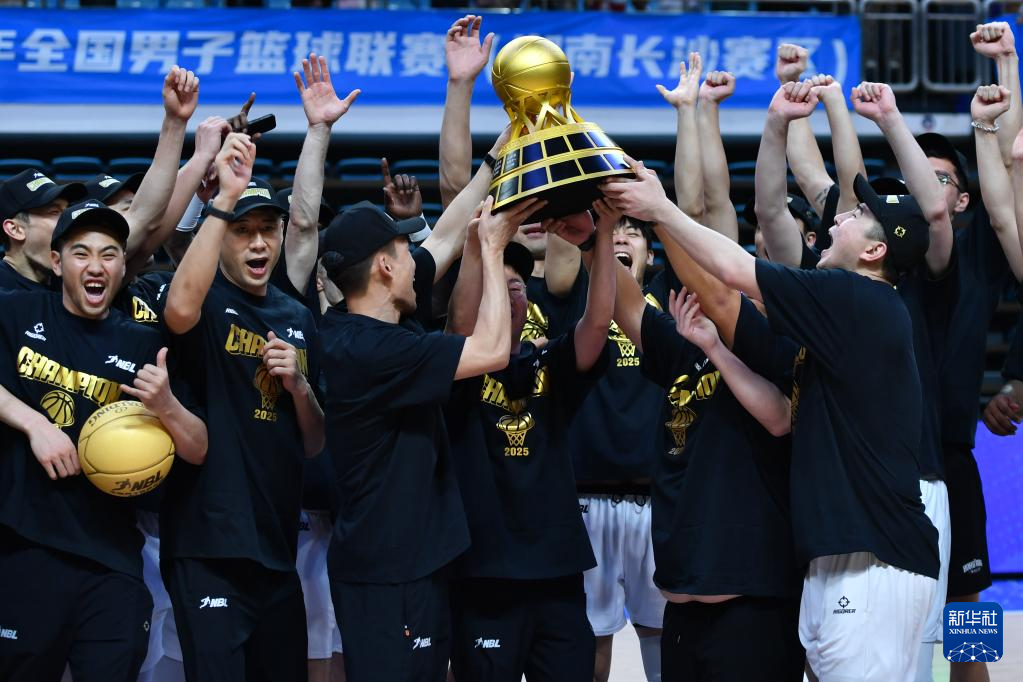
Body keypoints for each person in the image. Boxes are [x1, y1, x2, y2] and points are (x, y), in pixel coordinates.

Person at [604, 154, 941, 680]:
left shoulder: (860, 299)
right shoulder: (838, 327)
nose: (838, 219)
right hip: (838, 559)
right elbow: (772, 395)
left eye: (856, 217)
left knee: (953, 650)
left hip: (874, 557)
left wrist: (660, 210)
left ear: (875, 251)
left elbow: (734, 273)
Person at [320, 188, 541, 682]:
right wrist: (494, 250)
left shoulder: (364, 324)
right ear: (384, 266)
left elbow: (443, 247)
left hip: (407, 561)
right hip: (388, 570)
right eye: (402, 250)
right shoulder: (375, 351)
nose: (412, 258)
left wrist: (491, 179)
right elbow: (491, 351)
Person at [0, 200, 206, 682]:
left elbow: (198, 447)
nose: (96, 266)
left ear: (122, 265)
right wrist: (35, 424)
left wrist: (167, 405)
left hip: (113, 557)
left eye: (110, 254)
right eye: (81, 253)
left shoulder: (144, 344)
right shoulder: (16, 311)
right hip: (24, 549)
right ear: (56, 262)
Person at [160, 132, 325, 682]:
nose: (259, 244)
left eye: (267, 231)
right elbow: (178, 310)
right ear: (223, 236)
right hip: (208, 542)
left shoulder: (295, 315)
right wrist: (223, 198)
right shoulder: (203, 297)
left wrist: (299, 386)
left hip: (277, 546)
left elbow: (315, 440)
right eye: (243, 232)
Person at [444, 200, 616, 682]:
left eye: (517, 287)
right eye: (499, 287)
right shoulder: (454, 368)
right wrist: (483, 251)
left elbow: (598, 325)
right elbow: (460, 327)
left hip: (557, 573)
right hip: (483, 575)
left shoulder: (549, 365)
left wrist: (601, 237)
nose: (510, 296)